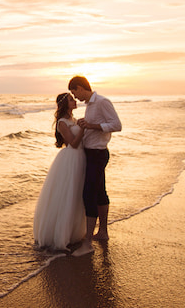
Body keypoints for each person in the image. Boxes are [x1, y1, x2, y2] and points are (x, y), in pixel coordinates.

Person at [68, 76, 122, 257]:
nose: (75, 97)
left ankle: (87, 243)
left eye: (74, 92)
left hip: (97, 154)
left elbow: (117, 125)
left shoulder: (102, 102)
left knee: (88, 195)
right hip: (92, 154)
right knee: (100, 193)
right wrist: (85, 124)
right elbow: (95, 127)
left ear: (80, 87)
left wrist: (90, 125)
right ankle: (103, 232)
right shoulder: (90, 106)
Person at [33, 92, 86, 251]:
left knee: (77, 195)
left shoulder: (74, 120)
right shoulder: (62, 123)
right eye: (71, 99)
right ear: (65, 104)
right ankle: (60, 236)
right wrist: (83, 129)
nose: (74, 100)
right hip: (71, 159)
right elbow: (73, 144)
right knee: (67, 195)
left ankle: (73, 232)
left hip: (80, 159)